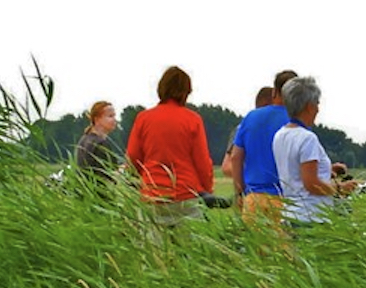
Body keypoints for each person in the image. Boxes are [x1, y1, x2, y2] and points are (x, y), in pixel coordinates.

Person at [123, 65, 215, 225]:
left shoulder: (143, 119)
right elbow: (202, 162)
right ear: (186, 92)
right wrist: (206, 190)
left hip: (152, 193)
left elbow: (133, 157)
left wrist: (140, 182)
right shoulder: (193, 120)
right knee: (190, 248)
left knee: (153, 248)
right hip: (185, 193)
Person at [272, 75, 353, 225]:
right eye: (317, 103)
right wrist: (340, 189)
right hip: (311, 216)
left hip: (291, 213)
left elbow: (295, 172)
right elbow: (311, 184)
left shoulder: (280, 135)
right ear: (309, 106)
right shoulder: (307, 138)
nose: (318, 109)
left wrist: (327, 169)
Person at [227, 70, 298, 221]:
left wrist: (239, 193)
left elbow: (235, 157)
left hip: (253, 200)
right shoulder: (296, 122)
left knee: (254, 244)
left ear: (274, 92)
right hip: (285, 200)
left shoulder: (251, 117)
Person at [72, 100, 121, 180]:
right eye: (110, 116)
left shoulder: (84, 139)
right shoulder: (101, 143)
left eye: (114, 116)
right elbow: (108, 175)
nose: (114, 120)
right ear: (97, 119)